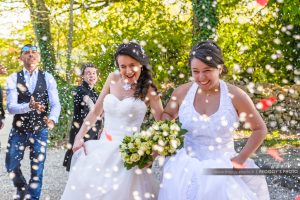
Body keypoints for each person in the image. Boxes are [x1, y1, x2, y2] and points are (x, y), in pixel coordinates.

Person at [158, 41, 270, 200]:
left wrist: (240, 159)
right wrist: (167, 136)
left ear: (220, 68)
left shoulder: (236, 96)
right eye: (195, 71)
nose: (201, 77)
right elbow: (168, 115)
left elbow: (260, 129)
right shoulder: (182, 92)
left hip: (223, 169)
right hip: (185, 168)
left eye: (207, 70)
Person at [61, 42, 164, 200]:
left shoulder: (149, 88)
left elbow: (163, 126)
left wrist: (152, 154)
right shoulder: (112, 78)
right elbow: (96, 111)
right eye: (123, 66)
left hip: (131, 154)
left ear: (141, 64)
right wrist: (79, 136)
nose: (128, 71)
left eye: (133, 65)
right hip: (103, 147)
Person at [5, 44, 61, 200]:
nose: (31, 54)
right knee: (11, 166)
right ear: (21, 58)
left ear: (39, 56)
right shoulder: (13, 78)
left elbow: (56, 104)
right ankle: (22, 191)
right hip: (19, 129)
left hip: (40, 130)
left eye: (34, 52)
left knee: (37, 170)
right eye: (27, 52)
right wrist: (28, 106)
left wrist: (52, 119)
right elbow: (11, 107)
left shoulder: (48, 77)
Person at [63, 62, 103, 171]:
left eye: (94, 73)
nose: (92, 75)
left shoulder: (96, 93)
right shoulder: (80, 90)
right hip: (82, 131)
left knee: (89, 165)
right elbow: (93, 108)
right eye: (88, 73)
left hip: (93, 131)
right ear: (83, 76)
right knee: (80, 164)